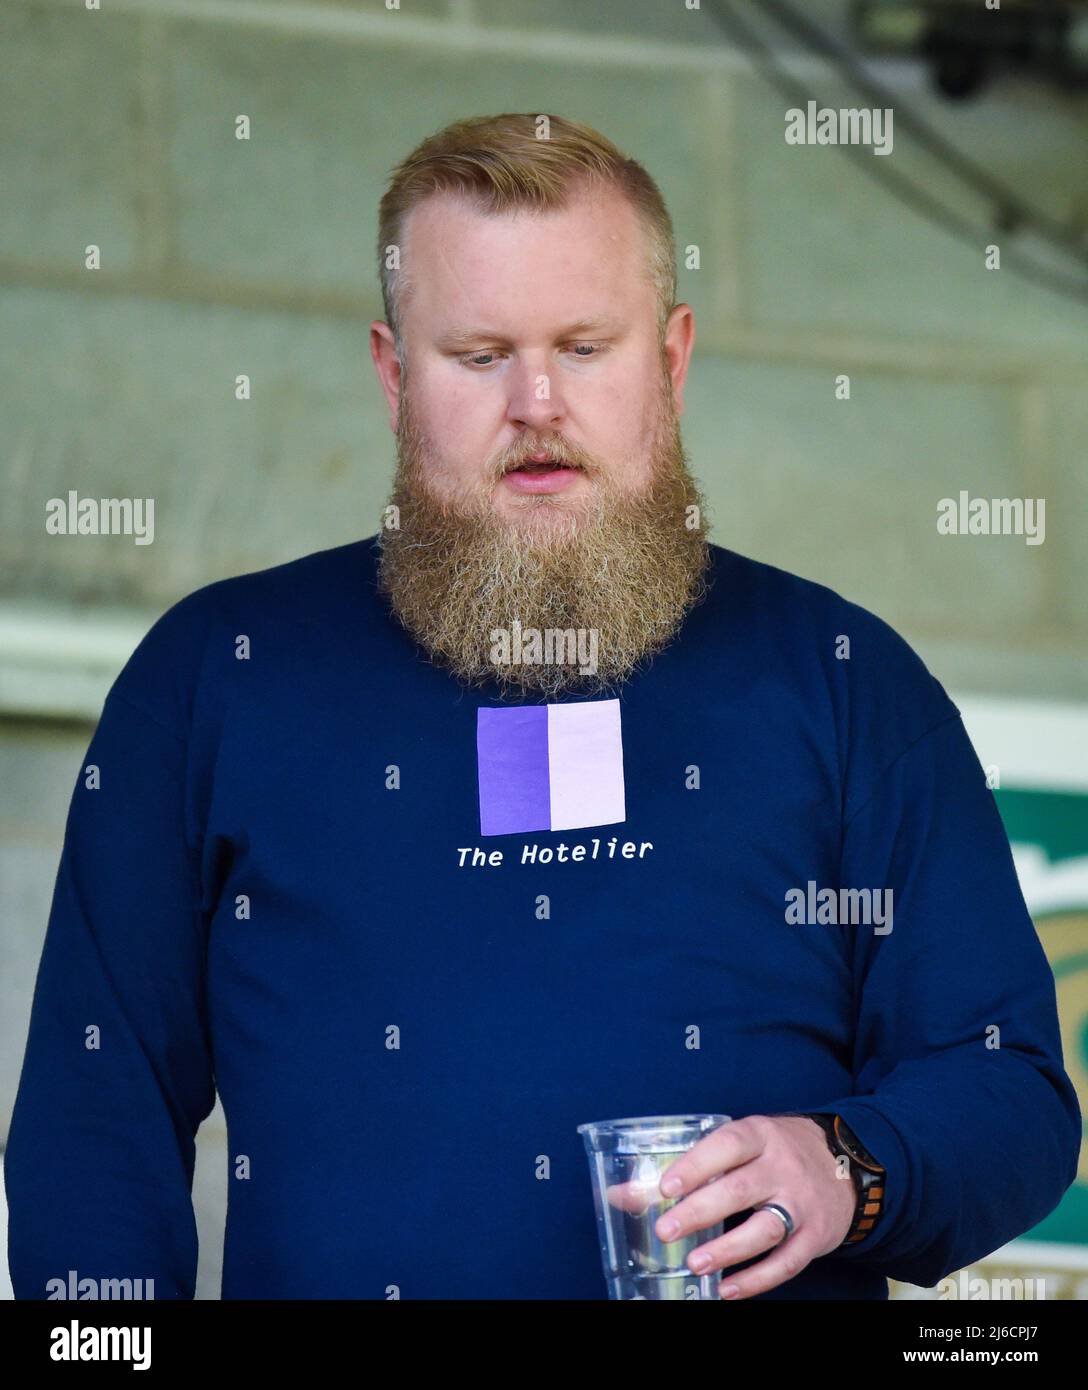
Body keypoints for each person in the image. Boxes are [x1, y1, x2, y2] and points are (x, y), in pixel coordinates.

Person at [5, 113, 1080, 1301]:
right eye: (476, 355)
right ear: (392, 371)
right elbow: (93, 1120)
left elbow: (1010, 1091)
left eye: (583, 346)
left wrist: (842, 1164)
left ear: (669, 360)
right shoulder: (218, 675)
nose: (535, 400)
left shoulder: (841, 678)